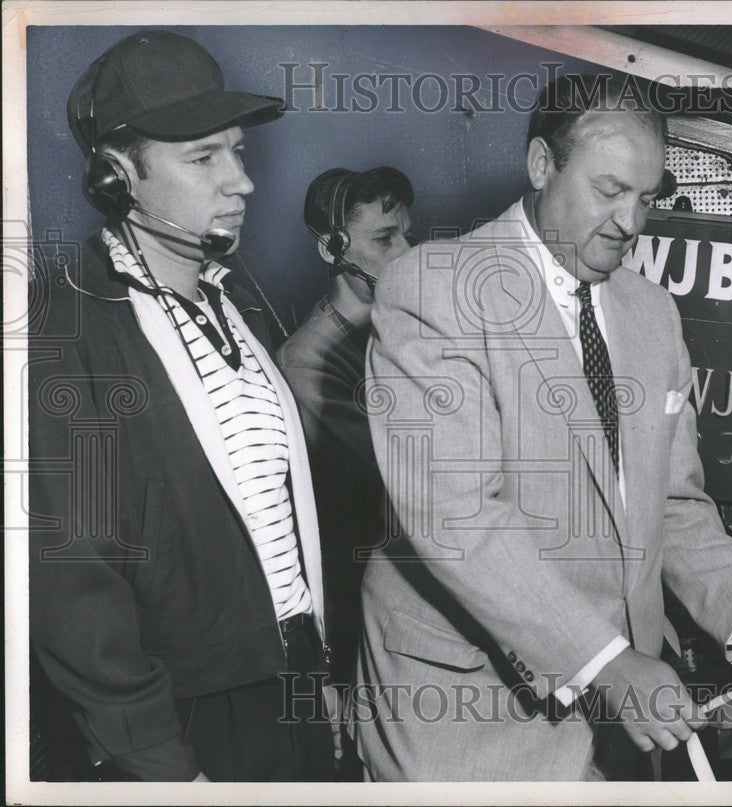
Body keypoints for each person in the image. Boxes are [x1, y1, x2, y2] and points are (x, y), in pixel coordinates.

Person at [351, 74, 732, 781]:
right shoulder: (434, 289)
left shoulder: (653, 314)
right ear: (543, 166)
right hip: (469, 713)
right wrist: (607, 662)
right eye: (608, 191)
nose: (630, 223)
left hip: (617, 711)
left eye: (645, 199)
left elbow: (671, 503)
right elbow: (457, 517)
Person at [29, 31, 335, 782]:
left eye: (238, 151)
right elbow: (74, 583)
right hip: (184, 721)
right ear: (114, 178)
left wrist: (318, 678)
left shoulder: (240, 306)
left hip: (287, 690)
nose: (242, 181)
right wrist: (160, 764)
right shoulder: (67, 328)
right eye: (203, 158)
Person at [276, 166, 413, 775]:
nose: (406, 252)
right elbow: (403, 466)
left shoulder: (400, 330)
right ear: (332, 248)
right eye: (385, 238)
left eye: (405, 234)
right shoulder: (308, 358)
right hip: (361, 610)